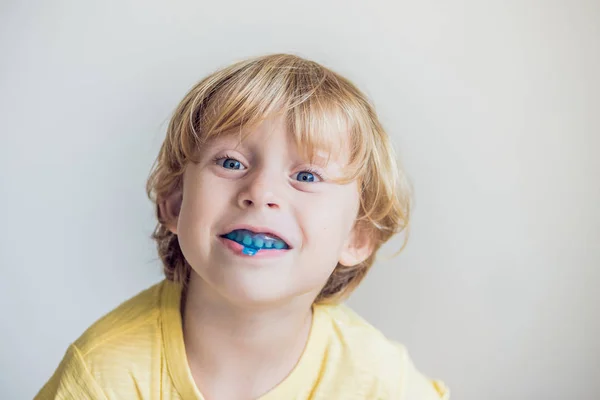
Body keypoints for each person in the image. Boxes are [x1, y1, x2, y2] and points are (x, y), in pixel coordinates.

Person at [36, 53, 449, 399]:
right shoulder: (104, 374)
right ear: (176, 203)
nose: (260, 191)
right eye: (231, 163)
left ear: (358, 236)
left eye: (306, 176)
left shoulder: (380, 381)